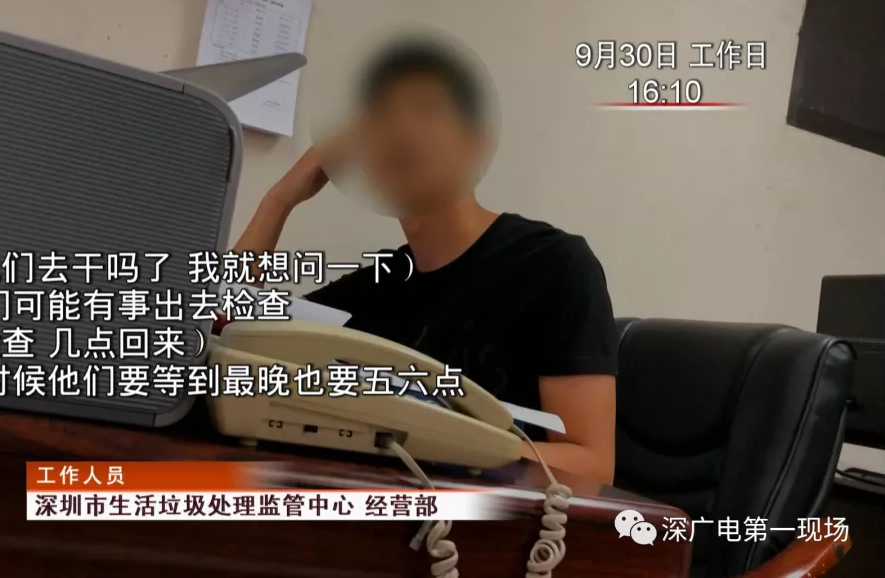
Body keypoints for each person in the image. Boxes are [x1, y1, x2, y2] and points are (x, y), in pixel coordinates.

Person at [233, 39, 618, 485]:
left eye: (426, 109)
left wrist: (441, 439)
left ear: (474, 143)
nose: (402, 132)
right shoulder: (378, 287)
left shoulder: (555, 265)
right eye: (381, 119)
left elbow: (592, 462)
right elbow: (231, 328)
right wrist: (280, 200)